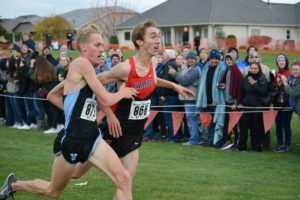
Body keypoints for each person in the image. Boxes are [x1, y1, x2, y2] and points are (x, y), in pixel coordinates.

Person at [48, 19, 194, 190]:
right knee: (75, 173)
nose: (158, 41)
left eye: (159, 36)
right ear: (140, 42)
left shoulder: (153, 63)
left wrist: (174, 85)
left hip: (134, 133)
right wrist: (108, 114)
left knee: (125, 183)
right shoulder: (124, 68)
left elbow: (151, 79)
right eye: (153, 36)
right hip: (115, 130)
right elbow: (96, 83)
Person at [0, 23, 138, 200]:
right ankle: (13, 185)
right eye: (97, 45)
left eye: (102, 45)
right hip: (72, 139)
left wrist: (74, 112)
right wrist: (122, 93)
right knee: (53, 191)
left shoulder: (87, 71)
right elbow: (105, 99)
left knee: (124, 178)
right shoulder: (81, 64)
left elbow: (52, 95)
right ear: (83, 47)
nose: (102, 49)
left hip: (92, 137)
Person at [169, 51, 201, 145]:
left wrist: (174, 73)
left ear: (195, 60)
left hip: (191, 99)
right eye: (188, 58)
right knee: (191, 120)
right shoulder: (187, 68)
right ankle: (197, 139)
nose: (190, 60)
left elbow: (184, 80)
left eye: (192, 58)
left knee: (191, 120)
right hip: (187, 99)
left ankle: (194, 140)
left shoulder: (195, 70)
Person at [196, 49, 225, 147]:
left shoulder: (222, 70)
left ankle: (218, 142)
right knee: (209, 123)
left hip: (216, 102)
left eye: (216, 59)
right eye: (212, 58)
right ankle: (210, 141)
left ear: (219, 59)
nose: (213, 61)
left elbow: (222, 87)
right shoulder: (206, 68)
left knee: (217, 122)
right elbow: (202, 84)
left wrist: (216, 100)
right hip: (206, 101)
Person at [237, 62, 268, 152]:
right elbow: (242, 92)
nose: (253, 70)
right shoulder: (246, 78)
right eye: (252, 68)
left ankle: (256, 147)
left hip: (257, 108)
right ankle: (242, 146)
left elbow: (264, 92)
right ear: (249, 69)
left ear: (259, 69)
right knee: (243, 128)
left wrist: (255, 84)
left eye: (255, 69)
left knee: (256, 129)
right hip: (246, 107)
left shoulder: (262, 78)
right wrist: (240, 102)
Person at [218, 53, 243, 150]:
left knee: (235, 125)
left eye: (230, 59)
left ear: (233, 60)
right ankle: (228, 141)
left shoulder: (236, 72)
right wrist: (221, 85)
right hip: (227, 102)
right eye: (226, 60)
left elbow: (239, 90)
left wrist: (235, 103)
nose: (228, 61)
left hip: (233, 103)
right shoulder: (227, 70)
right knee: (226, 124)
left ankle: (237, 143)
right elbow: (222, 83)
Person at [278, 60, 300, 156]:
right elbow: (288, 90)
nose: (295, 71)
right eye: (293, 69)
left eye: (297, 69)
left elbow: (294, 93)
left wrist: (285, 84)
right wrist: (281, 84)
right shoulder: (292, 78)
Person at [273, 54, 292, 153]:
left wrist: (283, 84)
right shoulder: (275, 73)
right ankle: (280, 144)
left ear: (286, 62)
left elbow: (290, 88)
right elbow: (273, 88)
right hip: (277, 103)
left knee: (286, 124)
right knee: (278, 124)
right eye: (279, 61)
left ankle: (287, 145)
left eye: (282, 60)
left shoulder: (290, 73)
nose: (281, 62)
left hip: (286, 103)